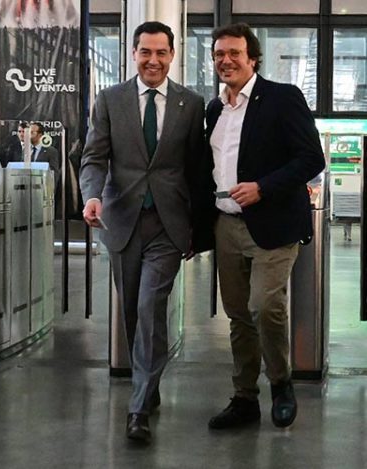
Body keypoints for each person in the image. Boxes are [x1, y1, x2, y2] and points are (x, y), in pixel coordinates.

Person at [79, 21, 205, 443]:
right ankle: (146, 385)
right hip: (122, 219)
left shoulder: (191, 104)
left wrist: (198, 226)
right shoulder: (110, 100)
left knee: (152, 306)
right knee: (132, 310)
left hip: (169, 223)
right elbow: (94, 157)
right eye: (145, 52)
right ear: (133, 54)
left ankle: (138, 409)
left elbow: (197, 170)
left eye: (161, 53)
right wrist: (92, 195)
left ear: (173, 55)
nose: (154, 60)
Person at [201, 23, 325, 431]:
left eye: (235, 53)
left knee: (265, 306)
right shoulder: (215, 109)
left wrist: (263, 187)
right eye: (219, 54)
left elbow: (311, 159)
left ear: (253, 57)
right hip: (228, 227)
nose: (226, 60)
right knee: (238, 315)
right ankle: (244, 398)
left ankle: (281, 383)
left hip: (273, 225)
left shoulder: (283, 98)